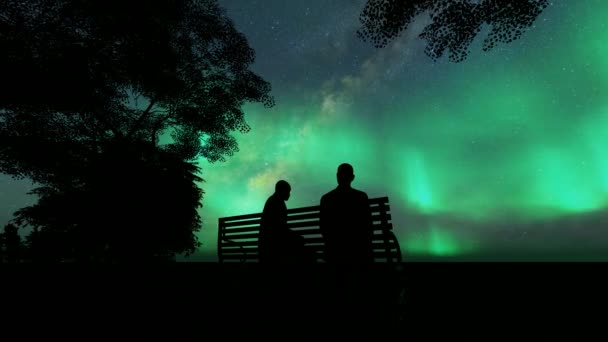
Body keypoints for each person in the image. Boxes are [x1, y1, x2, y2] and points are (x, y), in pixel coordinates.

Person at [319, 163, 374, 264]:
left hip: (333, 252)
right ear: (352, 177)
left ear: (337, 176)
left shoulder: (326, 199)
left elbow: (323, 228)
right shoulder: (361, 197)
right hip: (359, 252)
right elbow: (369, 227)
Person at [258, 180, 312, 264]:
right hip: (273, 244)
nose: (289, 194)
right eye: (288, 191)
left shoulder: (273, 200)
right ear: (282, 191)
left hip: (268, 242)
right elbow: (279, 228)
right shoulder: (277, 202)